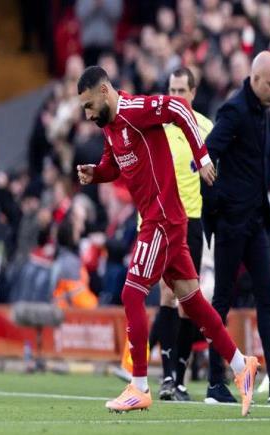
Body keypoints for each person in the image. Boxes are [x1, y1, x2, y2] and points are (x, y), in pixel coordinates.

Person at [76, 66, 258, 416]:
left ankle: (139, 386)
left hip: (162, 219)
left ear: (104, 91)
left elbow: (179, 108)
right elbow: (114, 165)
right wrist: (96, 173)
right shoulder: (109, 126)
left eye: (88, 105)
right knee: (193, 302)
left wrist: (202, 156)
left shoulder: (134, 111)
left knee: (131, 293)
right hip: (162, 219)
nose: (87, 114)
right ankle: (241, 365)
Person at [201, 51, 270, 403]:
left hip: (255, 220)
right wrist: (216, 204)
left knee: (266, 295)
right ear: (256, 79)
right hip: (233, 222)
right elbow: (207, 152)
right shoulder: (234, 110)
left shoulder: (260, 109)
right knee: (222, 300)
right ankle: (215, 382)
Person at [148, 67, 213, 401]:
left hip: (194, 221)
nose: (175, 97)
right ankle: (167, 377)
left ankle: (180, 379)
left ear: (193, 93)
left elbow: (216, 176)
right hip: (163, 221)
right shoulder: (157, 127)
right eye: (171, 90)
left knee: (189, 301)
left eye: (181, 91)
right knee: (167, 294)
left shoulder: (205, 128)